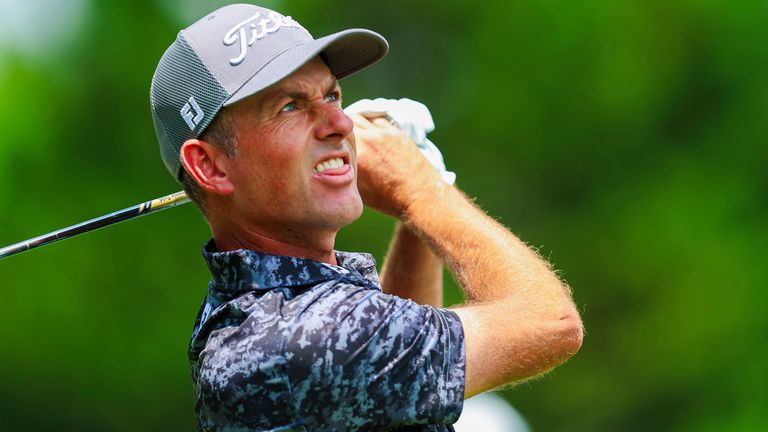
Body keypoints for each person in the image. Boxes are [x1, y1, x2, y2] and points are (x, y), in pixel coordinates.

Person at [149, 3, 583, 431]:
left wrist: (417, 210)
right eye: (289, 106)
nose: (339, 122)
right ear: (211, 166)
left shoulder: (281, 311)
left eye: (331, 95)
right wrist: (422, 191)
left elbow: (400, 380)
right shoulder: (295, 338)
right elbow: (549, 324)